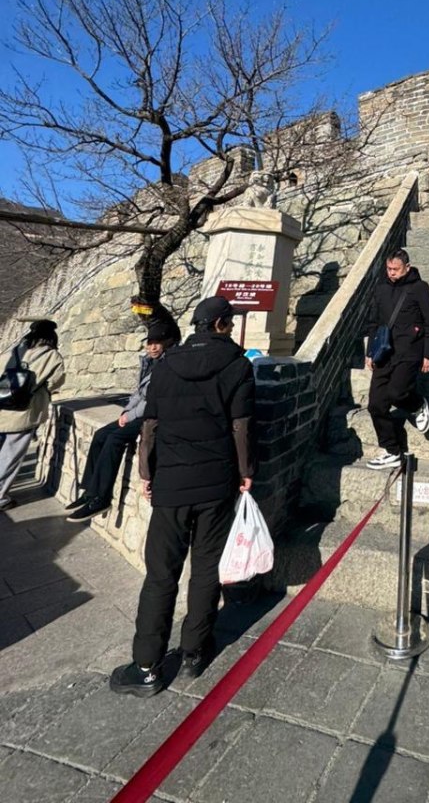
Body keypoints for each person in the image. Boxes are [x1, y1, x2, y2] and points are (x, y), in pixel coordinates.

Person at [109, 295, 255, 697]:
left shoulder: (167, 364)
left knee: (161, 575)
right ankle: (195, 650)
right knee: (206, 568)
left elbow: (150, 426)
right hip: (216, 482)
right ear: (221, 324)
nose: (230, 327)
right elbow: (241, 426)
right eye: (229, 322)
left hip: (171, 484)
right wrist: (246, 472)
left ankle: (147, 667)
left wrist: (146, 473)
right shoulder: (238, 365)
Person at [66, 318, 179, 523]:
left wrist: (131, 415)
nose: (152, 347)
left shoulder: (170, 364)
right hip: (138, 412)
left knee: (115, 439)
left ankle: (102, 497)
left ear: (167, 343)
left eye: (157, 343)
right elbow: (138, 393)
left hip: (153, 415)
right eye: (149, 342)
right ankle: (90, 491)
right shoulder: (149, 362)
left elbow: (154, 399)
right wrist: (126, 412)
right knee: (101, 435)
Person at [365, 249, 429, 469]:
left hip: (410, 351)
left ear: (407, 267)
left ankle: (417, 404)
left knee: (396, 393)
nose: (391, 273)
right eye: (388, 269)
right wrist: (370, 352)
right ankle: (392, 451)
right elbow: (374, 322)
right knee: (375, 405)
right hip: (384, 352)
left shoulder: (420, 288)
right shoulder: (381, 288)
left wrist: (428, 354)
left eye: (395, 269)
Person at [0, 319, 66, 511]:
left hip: (2, 408)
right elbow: (56, 382)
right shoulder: (52, 356)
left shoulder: (13, 352)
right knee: (10, 456)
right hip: (23, 413)